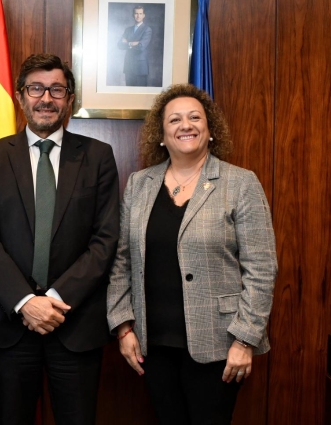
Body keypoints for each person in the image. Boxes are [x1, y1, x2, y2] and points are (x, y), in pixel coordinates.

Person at [107, 84, 277, 424]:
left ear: (209, 130)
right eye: (175, 120)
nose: (186, 125)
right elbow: (121, 262)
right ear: (161, 134)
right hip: (151, 346)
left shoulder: (240, 183)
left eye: (195, 117)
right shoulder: (140, 184)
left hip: (219, 346)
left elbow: (262, 268)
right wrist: (123, 326)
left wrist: (245, 340)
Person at [0, 53, 120, 425]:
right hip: (10, 325)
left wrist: (53, 300)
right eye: (36, 88)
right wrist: (26, 302)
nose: (46, 98)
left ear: (69, 99)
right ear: (21, 97)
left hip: (75, 323)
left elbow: (105, 239)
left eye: (57, 89)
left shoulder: (98, 156)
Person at [118, 5, 152, 86]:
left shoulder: (147, 29)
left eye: (140, 13)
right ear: (133, 15)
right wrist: (133, 43)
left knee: (140, 94)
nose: (138, 16)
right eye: (136, 13)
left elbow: (141, 47)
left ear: (144, 15)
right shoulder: (128, 30)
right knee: (128, 95)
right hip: (128, 67)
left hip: (140, 68)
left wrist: (127, 43)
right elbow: (119, 45)